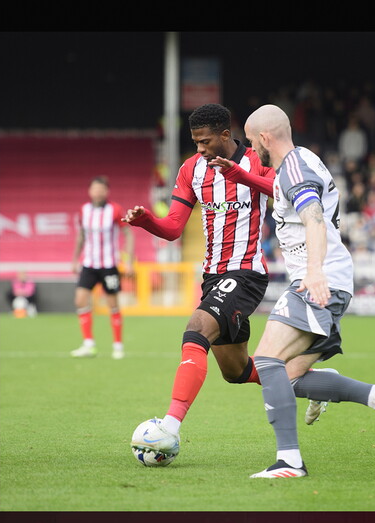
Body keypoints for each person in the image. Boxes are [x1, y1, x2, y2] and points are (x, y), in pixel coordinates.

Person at [215, 104, 375, 479]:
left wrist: (315, 272)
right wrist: (241, 174)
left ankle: (289, 461)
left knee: (267, 361)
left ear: (266, 138)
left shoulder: (296, 169)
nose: (253, 151)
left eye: (254, 144)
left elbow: (313, 219)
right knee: (288, 378)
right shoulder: (299, 163)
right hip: (330, 281)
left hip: (318, 280)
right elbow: (282, 191)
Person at [124, 104, 290, 458]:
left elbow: (283, 189)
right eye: (195, 142)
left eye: (205, 141)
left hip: (246, 273)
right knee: (237, 371)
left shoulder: (255, 160)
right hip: (213, 277)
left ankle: (169, 428)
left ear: (226, 135)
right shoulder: (191, 169)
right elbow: (172, 228)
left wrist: (241, 177)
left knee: (196, 329)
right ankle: (306, 377)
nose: (199, 148)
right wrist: (147, 221)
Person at [70, 176, 134, 359]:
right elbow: (81, 235)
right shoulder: (84, 210)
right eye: (94, 189)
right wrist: (75, 259)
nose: (97, 192)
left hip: (109, 265)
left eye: (101, 189)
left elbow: (128, 234)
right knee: (80, 300)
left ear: (106, 191)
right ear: (89, 191)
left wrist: (128, 260)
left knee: (113, 305)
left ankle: (118, 346)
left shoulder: (115, 210)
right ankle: (89, 344)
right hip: (89, 264)